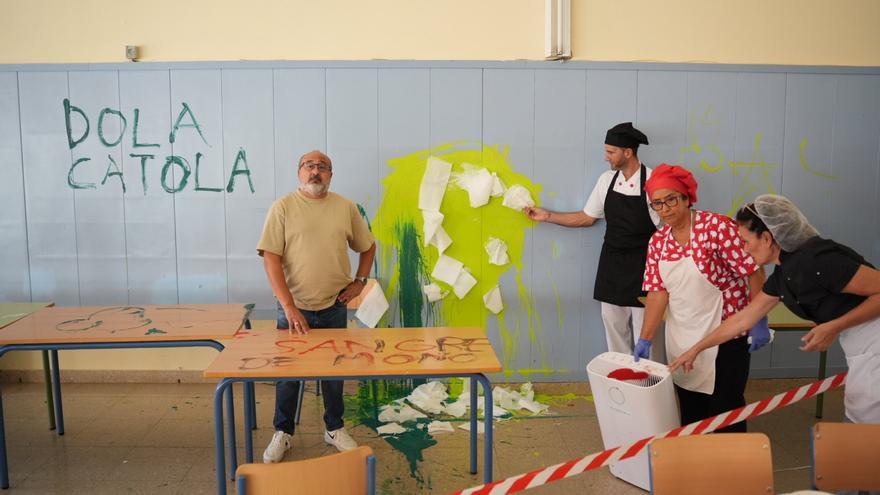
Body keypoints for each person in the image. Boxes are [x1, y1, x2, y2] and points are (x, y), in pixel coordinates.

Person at [670, 194, 880, 425]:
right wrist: (696, 349)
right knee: (860, 415)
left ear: (767, 238)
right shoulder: (784, 273)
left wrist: (834, 326)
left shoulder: (817, 259)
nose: (743, 249)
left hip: (874, 337)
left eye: (745, 241)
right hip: (858, 343)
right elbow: (742, 320)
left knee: (864, 417)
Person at [256, 150, 377, 463]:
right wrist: (289, 306)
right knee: (288, 375)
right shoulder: (282, 207)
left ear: (331, 175)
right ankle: (283, 432)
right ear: (299, 172)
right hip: (292, 309)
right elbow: (271, 258)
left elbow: (368, 246)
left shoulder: (344, 207)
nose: (316, 172)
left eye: (323, 167)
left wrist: (360, 282)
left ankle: (334, 427)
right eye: (309, 166)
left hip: (334, 306)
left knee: (334, 372)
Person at [636, 164, 768, 432]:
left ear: (686, 197)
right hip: (682, 338)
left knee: (725, 410)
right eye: (657, 204)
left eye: (671, 200)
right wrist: (645, 338)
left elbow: (753, 271)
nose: (665, 210)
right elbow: (657, 292)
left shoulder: (718, 227)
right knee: (691, 410)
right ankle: (698, 468)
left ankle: (731, 468)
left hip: (727, 335)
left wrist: (758, 319)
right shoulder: (658, 241)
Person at [524, 122, 664, 361]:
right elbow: (587, 218)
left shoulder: (653, 182)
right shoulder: (606, 180)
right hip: (612, 265)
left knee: (647, 336)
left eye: (611, 152)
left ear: (627, 152)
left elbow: (667, 227)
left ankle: (649, 390)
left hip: (646, 267)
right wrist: (547, 216)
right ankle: (622, 386)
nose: (606, 157)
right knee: (614, 330)